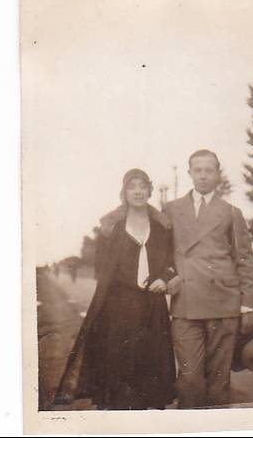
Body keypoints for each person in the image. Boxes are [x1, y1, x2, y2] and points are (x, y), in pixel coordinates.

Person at [54, 169, 177, 409]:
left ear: (150, 191)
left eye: (143, 186)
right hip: (119, 305)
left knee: (148, 369)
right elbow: (101, 267)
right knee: (119, 367)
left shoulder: (162, 226)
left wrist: (163, 278)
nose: (138, 191)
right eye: (132, 186)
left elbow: (170, 261)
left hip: (153, 305)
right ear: (124, 192)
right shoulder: (111, 226)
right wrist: (126, 283)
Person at [163, 149, 253, 408]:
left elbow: (245, 260)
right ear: (189, 173)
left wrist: (247, 305)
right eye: (198, 170)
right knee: (190, 380)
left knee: (218, 382)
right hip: (186, 303)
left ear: (217, 174)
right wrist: (169, 275)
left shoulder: (231, 212)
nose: (203, 176)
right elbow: (157, 252)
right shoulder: (171, 210)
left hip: (223, 304)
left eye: (209, 170)